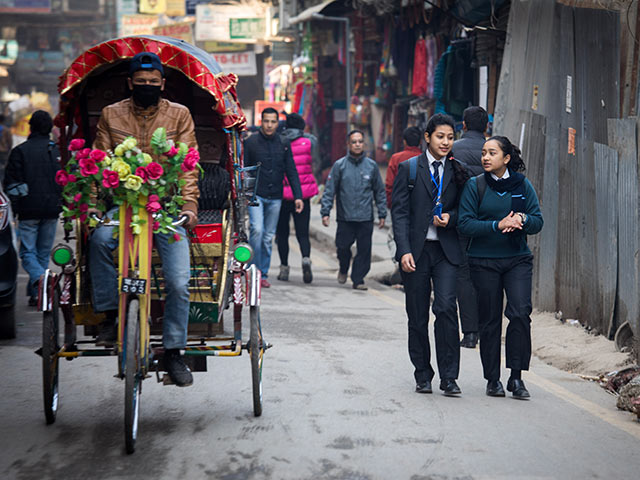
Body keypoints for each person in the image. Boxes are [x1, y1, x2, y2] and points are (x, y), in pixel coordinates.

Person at [90, 52, 199, 387]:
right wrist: (93, 206)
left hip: (165, 209)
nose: (148, 87)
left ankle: (174, 352)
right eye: (141, 83)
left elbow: (187, 166)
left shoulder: (179, 115)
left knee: (180, 281)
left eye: (154, 83)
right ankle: (109, 313)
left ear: (163, 84)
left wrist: (190, 205)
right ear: (130, 84)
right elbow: (96, 165)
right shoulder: (111, 114)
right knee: (98, 241)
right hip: (123, 205)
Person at [458, 136, 543, 399]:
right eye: (483, 152)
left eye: (491, 153)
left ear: (505, 158)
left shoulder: (521, 185)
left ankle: (516, 378)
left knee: (519, 313)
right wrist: (497, 225)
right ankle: (492, 378)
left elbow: (537, 221)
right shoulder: (475, 186)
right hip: (483, 261)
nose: (485, 157)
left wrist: (523, 219)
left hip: (517, 258)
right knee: (490, 319)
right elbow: (465, 224)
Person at [391, 113, 469, 396]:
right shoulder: (409, 169)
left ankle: (449, 377)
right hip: (417, 252)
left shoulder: (458, 170)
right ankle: (422, 373)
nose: (446, 142)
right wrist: (403, 251)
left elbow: (466, 210)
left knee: (447, 308)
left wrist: (452, 216)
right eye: (441, 136)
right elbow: (399, 213)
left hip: (446, 251)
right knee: (417, 315)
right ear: (427, 137)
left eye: (450, 137)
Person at [3, 110, 61, 306]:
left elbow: (10, 184)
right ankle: (37, 294)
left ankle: (40, 281)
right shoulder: (56, 152)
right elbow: (64, 181)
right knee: (43, 253)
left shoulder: (20, 151)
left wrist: (18, 206)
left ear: (31, 127)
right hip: (52, 210)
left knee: (28, 253)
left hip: (28, 211)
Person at [244, 108, 303, 288]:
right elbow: (246, 170)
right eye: (266, 121)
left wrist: (298, 196)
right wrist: (245, 194)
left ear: (278, 123)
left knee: (268, 237)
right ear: (261, 121)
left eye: (273, 122)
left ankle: (263, 273)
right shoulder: (251, 142)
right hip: (256, 195)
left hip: (276, 196)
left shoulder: (284, 142)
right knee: (257, 230)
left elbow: (291, 170)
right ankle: (252, 271)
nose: (269, 125)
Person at [320, 130, 386, 291]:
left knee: (364, 251)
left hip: (365, 217)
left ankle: (358, 279)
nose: (357, 144)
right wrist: (325, 211)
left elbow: (379, 191)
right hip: (345, 217)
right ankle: (343, 267)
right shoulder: (339, 165)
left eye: (360, 142)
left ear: (363, 144)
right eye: (354, 142)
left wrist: (382, 213)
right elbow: (330, 190)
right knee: (342, 247)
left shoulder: (371, 166)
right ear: (348, 145)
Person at [451, 106, 488, 349]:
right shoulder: (496, 150)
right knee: (487, 275)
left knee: (463, 275)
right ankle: (487, 330)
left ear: (463, 125)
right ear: (486, 127)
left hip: (461, 220)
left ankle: (471, 333)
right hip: (490, 222)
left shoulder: (453, 149)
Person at [276, 113, 318, 283]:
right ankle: (306, 258)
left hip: (282, 194)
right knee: (303, 232)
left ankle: (284, 267)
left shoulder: (279, 141)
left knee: (282, 233)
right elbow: (315, 160)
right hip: (303, 193)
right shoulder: (310, 141)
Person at [384, 126, 422, 209]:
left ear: (404, 142)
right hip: (421, 206)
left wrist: (391, 203)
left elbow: (389, 184)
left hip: (399, 204)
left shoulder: (395, 158)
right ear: (420, 142)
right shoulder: (425, 158)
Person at [0, 113, 13, 184]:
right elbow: (10, 141)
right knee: (4, 167)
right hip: (4, 151)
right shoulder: (6, 130)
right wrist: (9, 149)